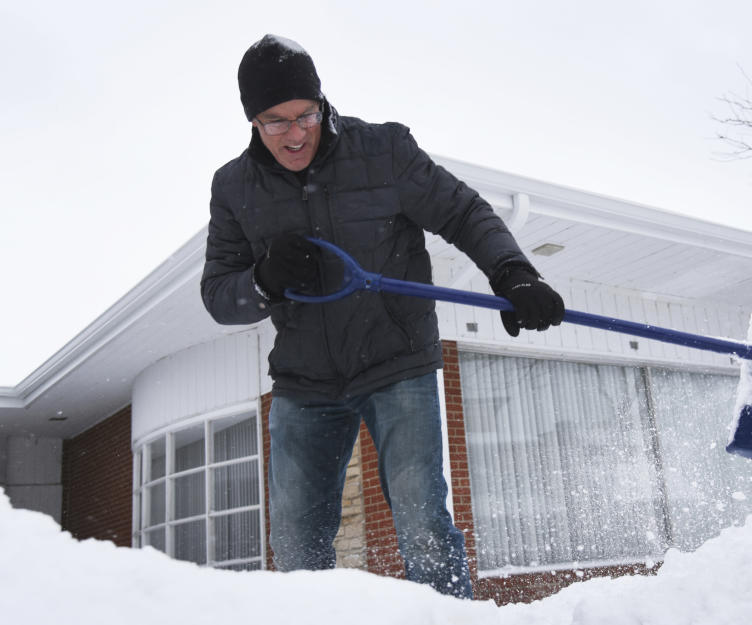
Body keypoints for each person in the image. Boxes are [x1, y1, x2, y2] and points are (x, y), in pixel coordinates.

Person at [201, 34, 564, 599]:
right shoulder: (233, 187)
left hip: (397, 363)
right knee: (296, 545)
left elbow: (464, 213)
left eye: (305, 114)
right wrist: (264, 279)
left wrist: (512, 273)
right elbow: (219, 294)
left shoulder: (384, 151)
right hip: (304, 382)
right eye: (275, 122)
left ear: (322, 102)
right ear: (252, 121)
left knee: (422, 526)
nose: (295, 134)